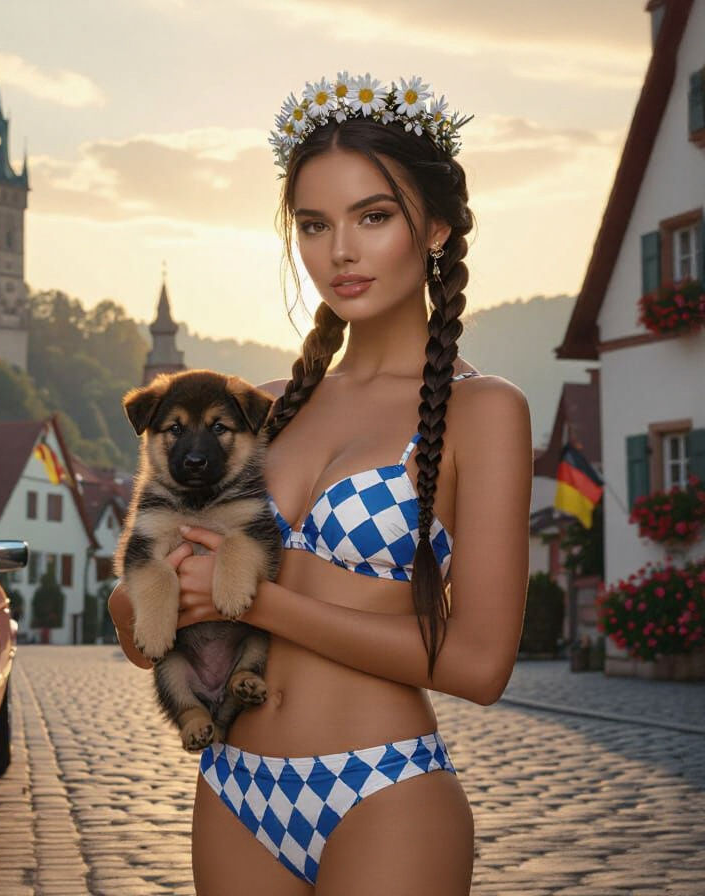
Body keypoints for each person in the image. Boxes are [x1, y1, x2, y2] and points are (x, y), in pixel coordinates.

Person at [108, 73, 531, 896]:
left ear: (436, 226)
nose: (339, 251)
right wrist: (147, 596)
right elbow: (139, 637)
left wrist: (258, 603)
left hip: (383, 788)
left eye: (373, 217)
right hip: (233, 789)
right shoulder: (254, 409)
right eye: (313, 224)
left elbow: (481, 665)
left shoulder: (483, 412)